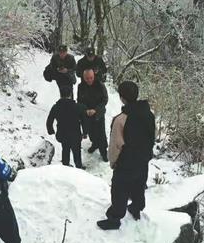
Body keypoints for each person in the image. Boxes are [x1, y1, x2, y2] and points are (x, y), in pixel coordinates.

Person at [97, 81, 155, 230]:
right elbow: (151, 137)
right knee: (138, 185)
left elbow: (116, 144)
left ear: (122, 98)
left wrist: (113, 161)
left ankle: (114, 219)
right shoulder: (149, 115)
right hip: (142, 160)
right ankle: (136, 208)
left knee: (119, 190)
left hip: (126, 162)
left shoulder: (121, 119)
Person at [46, 85, 87, 169]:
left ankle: (65, 166)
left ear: (60, 94)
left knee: (65, 149)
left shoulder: (56, 107)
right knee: (76, 152)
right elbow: (84, 120)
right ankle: (78, 167)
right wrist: (85, 132)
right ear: (70, 94)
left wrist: (51, 130)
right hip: (75, 135)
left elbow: (49, 120)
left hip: (62, 134)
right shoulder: (78, 107)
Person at [77, 69, 108, 161]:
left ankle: (103, 152)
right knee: (91, 132)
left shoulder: (100, 85)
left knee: (101, 133)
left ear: (94, 76)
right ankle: (95, 144)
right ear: (83, 78)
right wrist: (85, 110)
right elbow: (79, 100)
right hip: (87, 114)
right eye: (87, 78)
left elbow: (105, 100)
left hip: (98, 113)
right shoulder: (81, 86)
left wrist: (96, 110)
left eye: (91, 78)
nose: (89, 80)